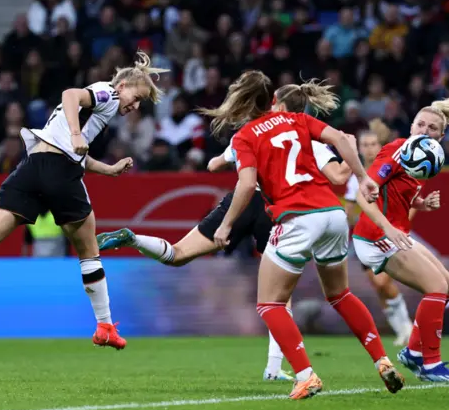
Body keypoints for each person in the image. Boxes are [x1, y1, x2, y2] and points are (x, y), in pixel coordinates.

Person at [0, 51, 168, 350]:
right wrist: (75, 134)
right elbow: (70, 95)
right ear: (122, 86)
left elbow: (72, 147)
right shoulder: (107, 92)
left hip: (32, 167)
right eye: (136, 97)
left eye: (140, 104)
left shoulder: (100, 110)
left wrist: (107, 169)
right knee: (88, 249)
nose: (135, 106)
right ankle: (105, 325)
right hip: (60, 171)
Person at [96, 86, 353, 381]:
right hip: (278, 209)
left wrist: (230, 166)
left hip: (241, 203)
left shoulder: (251, 132)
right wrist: (351, 154)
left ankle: (135, 238)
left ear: (274, 103)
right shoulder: (308, 136)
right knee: (281, 296)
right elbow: (338, 176)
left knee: (178, 254)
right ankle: (274, 368)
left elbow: (214, 163)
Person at [201, 71, 404, 399]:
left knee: (270, 304)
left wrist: (225, 225)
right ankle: (382, 360)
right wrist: (364, 176)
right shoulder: (296, 120)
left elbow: (246, 183)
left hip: (298, 218)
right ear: (271, 101)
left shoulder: (245, 136)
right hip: (333, 214)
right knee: (340, 295)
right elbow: (343, 140)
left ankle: (306, 375)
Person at [352, 97, 449, 383]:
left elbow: (399, 193)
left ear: (441, 136)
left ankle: (415, 352)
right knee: (437, 286)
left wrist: (421, 202)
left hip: (394, 232)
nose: (424, 130)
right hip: (376, 236)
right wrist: (387, 228)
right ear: (411, 125)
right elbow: (363, 194)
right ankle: (430, 364)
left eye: (432, 128)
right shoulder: (396, 151)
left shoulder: (425, 158)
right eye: (420, 124)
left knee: (448, 285)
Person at [345, 120, 413, 346]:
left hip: (387, 235)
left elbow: (408, 201)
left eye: (373, 143)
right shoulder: (355, 176)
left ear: (379, 145)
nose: (369, 148)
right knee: (378, 285)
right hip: (365, 237)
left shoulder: (390, 169)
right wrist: (351, 224)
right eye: (364, 144)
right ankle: (401, 330)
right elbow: (350, 209)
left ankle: (407, 328)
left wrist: (399, 228)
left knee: (383, 282)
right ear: (360, 148)